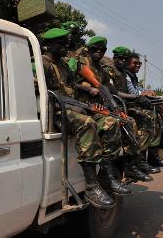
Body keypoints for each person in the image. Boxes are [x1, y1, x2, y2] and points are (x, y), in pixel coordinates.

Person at [39, 28, 130, 210]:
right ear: (48, 45)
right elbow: (43, 93)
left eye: (67, 43)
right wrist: (78, 106)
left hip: (71, 106)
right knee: (87, 123)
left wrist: (88, 92)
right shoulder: (42, 63)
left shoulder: (63, 64)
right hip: (55, 111)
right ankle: (91, 186)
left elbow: (72, 85)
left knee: (111, 122)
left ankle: (106, 174)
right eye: (61, 43)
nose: (66, 46)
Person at [73, 36, 152, 183]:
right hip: (84, 106)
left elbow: (110, 90)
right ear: (88, 50)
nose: (98, 52)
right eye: (95, 49)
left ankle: (131, 165)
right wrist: (88, 88)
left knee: (128, 121)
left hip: (99, 107)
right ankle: (105, 174)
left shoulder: (101, 71)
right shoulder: (81, 64)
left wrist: (116, 108)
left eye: (102, 50)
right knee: (111, 123)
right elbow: (71, 85)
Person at [125, 52, 163, 165]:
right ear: (127, 63)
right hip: (129, 106)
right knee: (153, 119)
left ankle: (160, 152)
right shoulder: (126, 76)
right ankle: (161, 152)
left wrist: (147, 93)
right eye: (135, 63)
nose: (138, 65)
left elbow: (138, 89)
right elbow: (133, 92)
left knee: (159, 116)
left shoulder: (132, 76)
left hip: (136, 104)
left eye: (139, 63)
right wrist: (144, 93)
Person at [109, 46, 161, 176]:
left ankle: (141, 160)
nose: (122, 61)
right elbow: (114, 92)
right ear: (114, 58)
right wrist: (138, 96)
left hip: (126, 105)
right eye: (120, 58)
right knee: (134, 123)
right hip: (117, 107)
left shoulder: (123, 73)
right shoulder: (110, 71)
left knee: (152, 118)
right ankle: (132, 164)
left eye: (125, 59)